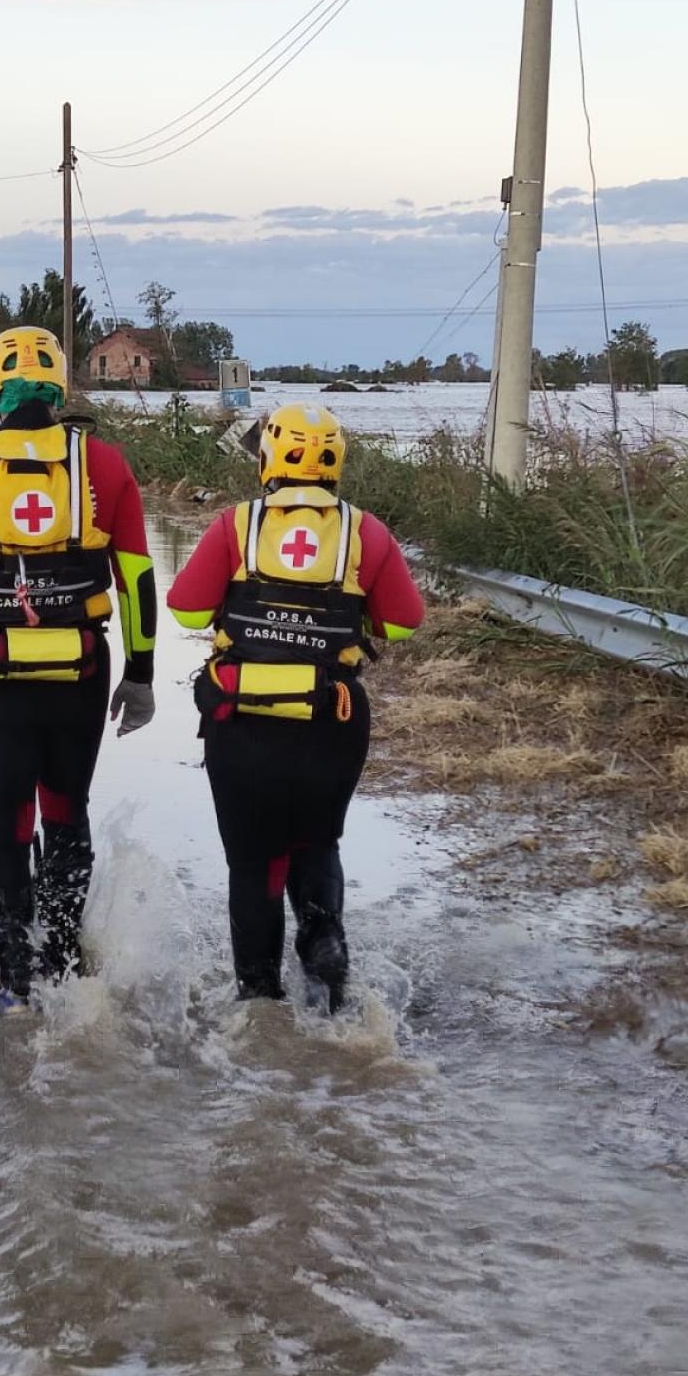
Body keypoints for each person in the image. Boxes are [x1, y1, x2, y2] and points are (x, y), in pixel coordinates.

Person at [0, 326, 158, 1015]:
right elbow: (135, 579)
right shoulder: (104, 464)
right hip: (80, 669)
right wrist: (139, 673)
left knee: (5, 825)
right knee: (65, 813)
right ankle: (66, 965)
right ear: (59, 387)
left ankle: (15, 982)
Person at [166, 404, 423, 1011]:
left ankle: (260, 1002)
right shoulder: (369, 532)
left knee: (253, 866)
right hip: (329, 722)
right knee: (317, 842)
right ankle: (324, 946)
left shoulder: (235, 526)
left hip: (242, 723)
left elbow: (186, 610)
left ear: (267, 459)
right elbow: (403, 623)